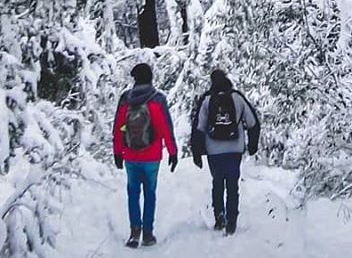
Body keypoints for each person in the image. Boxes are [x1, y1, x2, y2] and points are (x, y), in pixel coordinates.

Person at [112, 62, 178, 248]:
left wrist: (117, 151)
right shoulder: (157, 99)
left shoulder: (125, 99)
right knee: (150, 193)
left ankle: (134, 232)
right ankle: (148, 233)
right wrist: (172, 151)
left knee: (133, 193)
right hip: (152, 156)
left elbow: (118, 127)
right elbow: (165, 127)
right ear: (150, 78)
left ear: (134, 79)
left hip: (130, 155)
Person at [190, 68, 261, 235]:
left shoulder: (207, 100)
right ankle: (232, 220)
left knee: (217, 182)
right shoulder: (237, 98)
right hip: (234, 149)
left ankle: (219, 216)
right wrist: (252, 146)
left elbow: (198, 127)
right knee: (232, 185)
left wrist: (197, 152)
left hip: (214, 150)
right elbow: (253, 122)